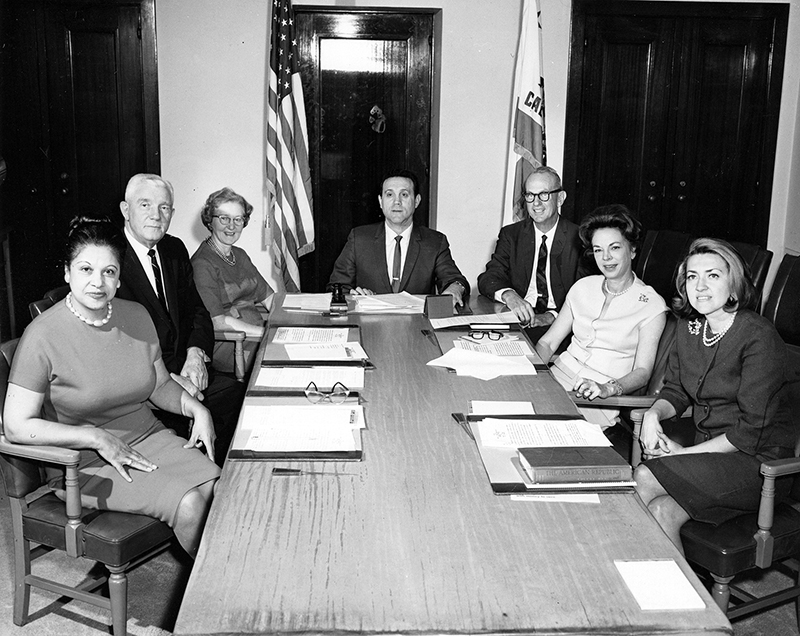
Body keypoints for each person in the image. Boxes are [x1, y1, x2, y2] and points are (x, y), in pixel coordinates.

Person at [3, 217, 220, 558]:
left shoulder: (135, 315)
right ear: (67, 272)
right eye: (86, 269)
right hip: (85, 462)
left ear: (119, 278)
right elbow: (16, 426)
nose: (97, 282)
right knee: (191, 504)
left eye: (109, 272)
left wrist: (197, 409)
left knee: (220, 488)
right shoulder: (42, 336)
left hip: (148, 437)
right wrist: (96, 437)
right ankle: (216, 602)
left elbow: (159, 384)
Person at [634, 238, 795, 553]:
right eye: (692, 276)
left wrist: (681, 456)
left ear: (733, 285)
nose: (700, 286)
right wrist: (654, 414)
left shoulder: (758, 337)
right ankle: (680, 603)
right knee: (660, 512)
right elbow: (677, 389)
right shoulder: (690, 326)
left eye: (713, 275)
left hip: (757, 466)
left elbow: (750, 432)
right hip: (708, 458)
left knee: (643, 476)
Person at [116, 173, 244, 465]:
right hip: (144, 386)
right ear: (126, 210)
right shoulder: (110, 261)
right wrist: (167, 380)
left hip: (186, 370)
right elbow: (116, 344)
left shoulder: (173, 250)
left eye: (164, 208)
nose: (155, 216)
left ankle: (223, 484)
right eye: (145, 205)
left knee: (237, 396)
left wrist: (195, 355)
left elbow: (197, 311)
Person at [534, 205, 667, 429]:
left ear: (632, 250)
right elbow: (548, 342)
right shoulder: (582, 287)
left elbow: (643, 372)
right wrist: (531, 375)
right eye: (598, 250)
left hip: (598, 396)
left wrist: (608, 388)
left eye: (614, 248)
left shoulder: (651, 305)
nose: (606, 258)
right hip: (556, 379)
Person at [327, 169, 469, 307]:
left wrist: (455, 288)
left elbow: (455, 280)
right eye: (389, 195)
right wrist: (353, 296)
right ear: (380, 201)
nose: (397, 202)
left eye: (404, 195)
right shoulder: (359, 239)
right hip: (369, 324)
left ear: (417, 201)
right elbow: (336, 287)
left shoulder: (435, 242)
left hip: (417, 326)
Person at [478, 166, 588, 342]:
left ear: (560, 198)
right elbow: (489, 277)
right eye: (530, 195)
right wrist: (510, 296)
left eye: (544, 195)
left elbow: (587, 295)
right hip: (520, 323)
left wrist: (552, 316)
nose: (536, 203)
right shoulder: (511, 234)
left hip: (563, 328)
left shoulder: (580, 238)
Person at [192, 187, 273, 375]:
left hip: (255, 334)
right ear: (210, 221)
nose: (232, 226)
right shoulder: (202, 263)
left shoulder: (240, 255)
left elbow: (270, 299)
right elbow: (218, 322)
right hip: (232, 343)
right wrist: (266, 335)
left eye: (238, 219)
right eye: (224, 218)